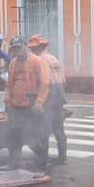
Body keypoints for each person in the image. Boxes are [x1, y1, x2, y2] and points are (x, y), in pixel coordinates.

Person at [4, 36, 49, 169]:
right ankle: (14, 163)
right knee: (13, 135)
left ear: (25, 46)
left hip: (32, 105)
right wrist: (7, 100)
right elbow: (9, 84)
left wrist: (39, 102)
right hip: (16, 105)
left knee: (32, 137)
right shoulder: (13, 63)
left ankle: (41, 165)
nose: (17, 51)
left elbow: (44, 84)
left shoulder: (37, 61)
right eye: (14, 49)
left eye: (19, 47)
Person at [28, 35, 69, 164]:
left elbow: (40, 82)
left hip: (48, 96)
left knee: (43, 129)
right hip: (59, 95)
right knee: (58, 128)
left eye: (34, 48)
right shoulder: (54, 59)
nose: (32, 50)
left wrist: (37, 100)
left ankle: (43, 160)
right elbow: (64, 81)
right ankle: (62, 158)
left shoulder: (39, 60)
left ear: (39, 47)